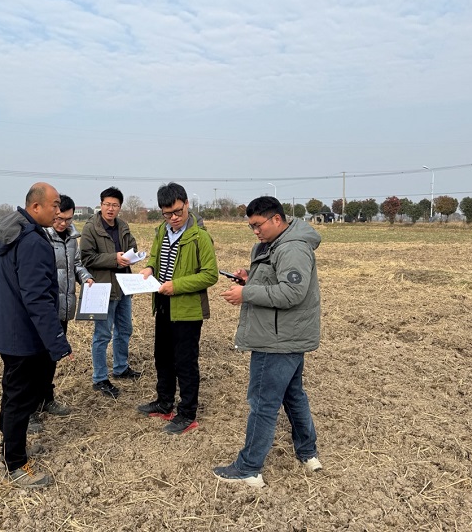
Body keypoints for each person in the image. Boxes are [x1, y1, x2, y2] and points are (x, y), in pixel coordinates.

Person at [214, 195, 323, 488]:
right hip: (285, 334)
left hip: (277, 340)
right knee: (293, 395)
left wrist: (246, 293)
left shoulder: (292, 248)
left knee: (263, 403)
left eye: (258, 225)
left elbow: (292, 293)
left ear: (277, 219)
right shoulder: (276, 243)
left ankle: (248, 468)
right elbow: (276, 278)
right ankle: (308, 453)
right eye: (251, 226)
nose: (255, 231)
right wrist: (250, 277)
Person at [0, 182, 73, 489]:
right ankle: (16, 464)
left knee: (12, 394)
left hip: (10, 331)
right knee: (19, 399)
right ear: (35, 207)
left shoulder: (14, 232)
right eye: (54, 205)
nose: (58, 211)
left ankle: (12, 447)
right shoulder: (32, 241)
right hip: (24, 336)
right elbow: (37, 299)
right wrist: (58, 343)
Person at [137, 182, 218, 434]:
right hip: (163, 303)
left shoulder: (200, 237)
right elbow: (155, 256)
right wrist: (149, 268)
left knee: (185, 361)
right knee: (162, 356)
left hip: (187, 308)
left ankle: (187, 413)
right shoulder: (162, 231)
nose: (173, 218)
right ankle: (164, 403)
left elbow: (210, 275)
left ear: (187, 204)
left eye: (177, 212)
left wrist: (177, 286)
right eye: (167, 214)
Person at [28, 195, 94, 432]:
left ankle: (47, 398)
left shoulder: (72, 238)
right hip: (46, 310)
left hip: (64, 308)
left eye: (68, 219)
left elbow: (76, 265)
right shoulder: (41, 237)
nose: (63, 223)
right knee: (35, 361)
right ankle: (29, 410)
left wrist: (86, 278)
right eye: (59, 219)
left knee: (51, 358)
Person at [80, 186, 141, 398]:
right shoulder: (91, 228)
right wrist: (114, 258)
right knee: (103, 334)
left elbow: (132, 245)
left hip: (124, 285)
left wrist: (133, 255)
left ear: (120, 207)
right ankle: (99, 378)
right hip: (103, 287)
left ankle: (120, 367)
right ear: (101, 204)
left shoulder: (123, 225)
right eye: (107, 204)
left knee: (125, 329)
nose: (110, 208)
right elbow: (86, 258)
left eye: (115, 205)